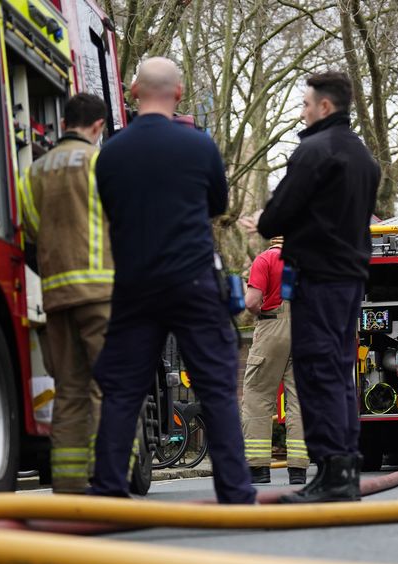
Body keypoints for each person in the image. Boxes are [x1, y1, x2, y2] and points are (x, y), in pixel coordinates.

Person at [89, 57, 255, 504]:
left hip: (135, 283)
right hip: (194, 282)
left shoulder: (111, 152)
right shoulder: (198, 147)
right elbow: (217, 205)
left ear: (132, 91)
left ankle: (107, 491)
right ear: (179, 93)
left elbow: (108, 209)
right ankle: (236, 493)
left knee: (123, 388)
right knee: (216, 385)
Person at [257, 71, 381, 503]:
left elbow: (276, 217)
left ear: (325, 107)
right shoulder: (364, 158)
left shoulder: (312, 151)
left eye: (306, 104)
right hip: (350, 279)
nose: (303, 112)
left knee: (315, 371)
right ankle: (342, 468)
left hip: (317, 278)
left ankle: (330, 470)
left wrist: (264, 220)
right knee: (339, 370)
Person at [20, 93, 112, 494]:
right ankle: (112, 475)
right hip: (101, 291)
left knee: (70, 390)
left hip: (55, 296)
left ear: (64, 122)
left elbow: (30, 236)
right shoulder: (101, 163)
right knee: (112, 385)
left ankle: (70, 484)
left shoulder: (34, 173)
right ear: (98, 127)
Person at [241, 237, 308, 485]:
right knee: (299, 401)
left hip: (271, 327)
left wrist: (260, 310)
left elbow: (251, 302)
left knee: (258, 395)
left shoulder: (266, 259)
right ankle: (299, 470)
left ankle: (258, 469)